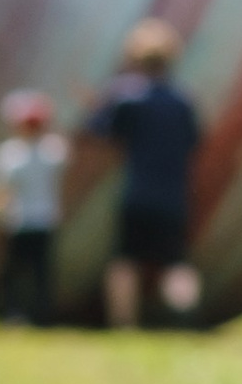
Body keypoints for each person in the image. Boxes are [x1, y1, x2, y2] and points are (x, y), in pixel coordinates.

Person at [84, 21, 204, 328]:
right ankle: (186, 321)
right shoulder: (182, 101)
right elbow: (194, 141)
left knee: (125, 258)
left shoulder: (126, 97)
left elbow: (98, 131)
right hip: (173, 194)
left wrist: (97, 107)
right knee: (176, 261)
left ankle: (124, 324)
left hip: (137, 192)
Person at [0, 91, 70, 324]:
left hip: (18, 221)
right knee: (41, 272)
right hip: (43, 221)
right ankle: (42, 316)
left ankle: (14, 313)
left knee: (12, 273)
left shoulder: (10, 155)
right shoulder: (52, 151)